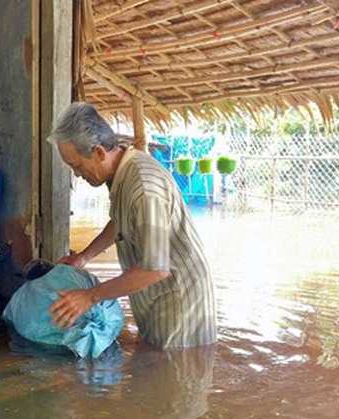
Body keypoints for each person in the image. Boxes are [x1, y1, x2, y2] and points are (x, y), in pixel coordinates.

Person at [47, 102, 217, 349]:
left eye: (76, 165)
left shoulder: (143, 188)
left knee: (174, 375)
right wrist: (84, 257)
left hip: (180, 307)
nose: (76, 174)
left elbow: (155, 270)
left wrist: (89, 297)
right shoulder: (121, 173)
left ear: (98, 152)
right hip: (156, 297)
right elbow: (121, 220)